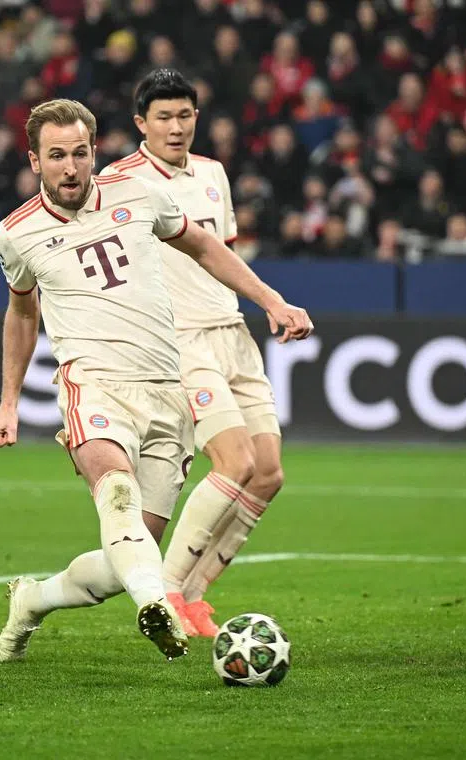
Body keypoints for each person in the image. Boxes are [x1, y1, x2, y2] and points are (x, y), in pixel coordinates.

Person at [0, 99, 312, 663]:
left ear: (94, 152)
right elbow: (21, 313)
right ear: (34, 160)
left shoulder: (137, 194)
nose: (71, 167)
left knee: (125, 555)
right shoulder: (18, 234)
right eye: (57, 156)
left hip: (167, 388)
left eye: (80, 154)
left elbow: (206, 246)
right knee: (115, 489)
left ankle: (34, 598)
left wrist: (270, 300)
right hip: (93, 382)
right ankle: (155, 604)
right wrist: (8, 401)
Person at [100, 69, 290, 638]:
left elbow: (217, 253)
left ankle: (195, 595)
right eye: (164, 117)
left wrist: (267, 305)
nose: (176, 127)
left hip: (231, 332)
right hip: (179, 341)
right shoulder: (118, 181)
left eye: (185, 116)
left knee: (269, 474)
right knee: (235, 463)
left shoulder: (213, 174)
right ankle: (167, 592)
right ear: (141, 124)